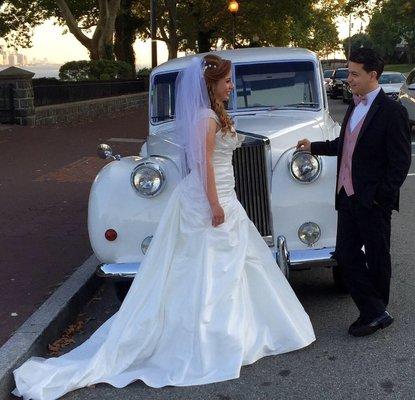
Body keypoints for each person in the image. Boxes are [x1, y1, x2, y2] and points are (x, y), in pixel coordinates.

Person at [13, 54, 315, 400]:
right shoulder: (206, 119)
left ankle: (236, 328)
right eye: (228, 81)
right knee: (209, 266)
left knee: (228, 263)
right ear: (212, 84)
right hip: (210, 198)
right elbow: (201, 166)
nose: (233, 86)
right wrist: (215, 205)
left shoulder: (215, 114)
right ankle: (211, 335)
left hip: (224, 194)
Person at [297, 48, 411, 337]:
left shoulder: (392, 111)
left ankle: (375, 310)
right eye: (348, 72)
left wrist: (380, 197)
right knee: (346, 255)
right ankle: (375, 311)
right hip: (346, 195)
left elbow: (400, 162)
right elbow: (344, 144)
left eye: (354, 73)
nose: (348, 79)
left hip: (372, 199)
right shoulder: (354, 106)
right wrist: (314, 147)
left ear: (373, 75)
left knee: (377, 255)